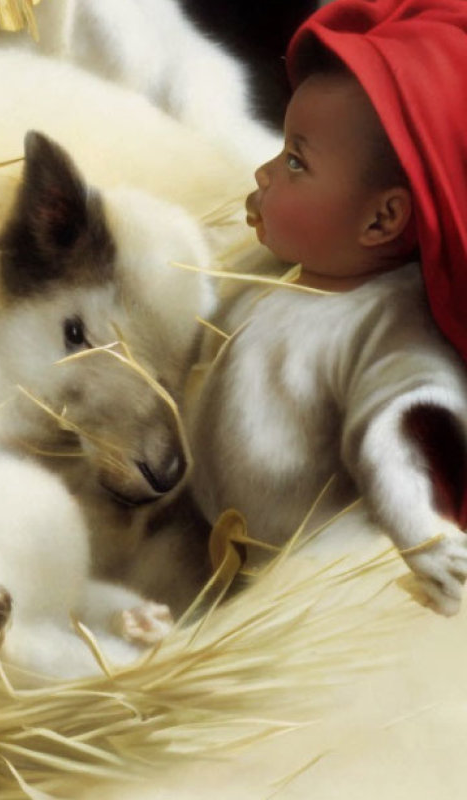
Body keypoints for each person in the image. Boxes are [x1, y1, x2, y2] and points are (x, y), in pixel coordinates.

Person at [187, 0, 467, 615]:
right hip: (208, 559)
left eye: (294, 162)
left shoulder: (388, 323)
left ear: (382, 218)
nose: (262, 173)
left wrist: (420, 534)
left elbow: (389, 443)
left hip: (302, 593)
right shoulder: (279, 274)